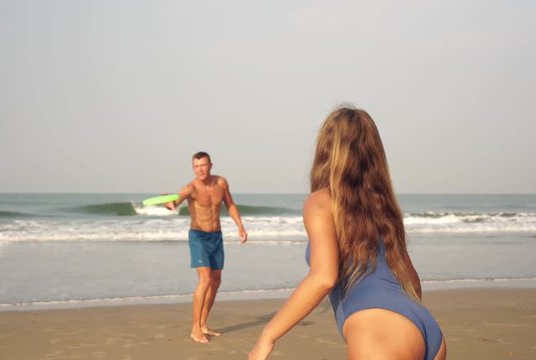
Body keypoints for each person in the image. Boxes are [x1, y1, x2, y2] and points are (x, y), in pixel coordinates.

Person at [249, 107, 446, 359]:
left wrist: (267, 336)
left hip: (378, 332)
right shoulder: (383, 205)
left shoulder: (321, 201)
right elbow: (412, 281)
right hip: (425, 329)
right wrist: (407, 325)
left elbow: (324, 277)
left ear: (327, 147)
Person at [166, 151, 248, 344]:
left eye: (203, 165)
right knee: (204, 279)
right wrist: (170, 204)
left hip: (216, 236)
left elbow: (230, 204)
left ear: (210, 165)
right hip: (198, 237)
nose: (200, 169)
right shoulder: (190, 188)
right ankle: (195, 329)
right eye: (196, 166)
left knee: (216, 280)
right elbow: (176, 201)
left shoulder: (221, 183)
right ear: (193, 168)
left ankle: (203, 324)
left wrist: (240, 227)